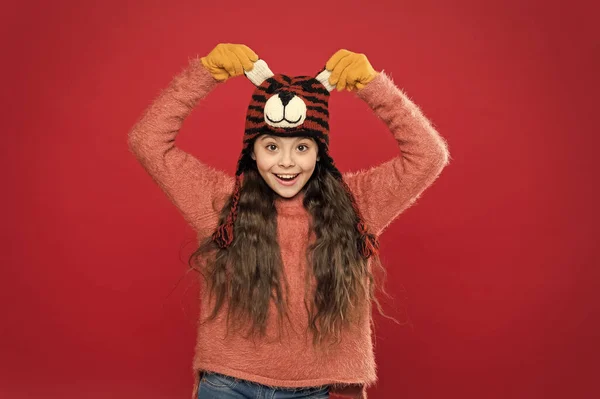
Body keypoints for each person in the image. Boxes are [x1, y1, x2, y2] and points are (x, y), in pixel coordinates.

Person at [128, 43, 450, 399]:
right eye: (271, 147)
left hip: (316, 391)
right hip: (228, 385)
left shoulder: (357, 204)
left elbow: (428, 154)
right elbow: (148, 141)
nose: (286, 163)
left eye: (301, 147)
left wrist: (373, 87)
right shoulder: (221, 205)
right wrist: (204, 74)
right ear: (251, 151)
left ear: (319, 152)